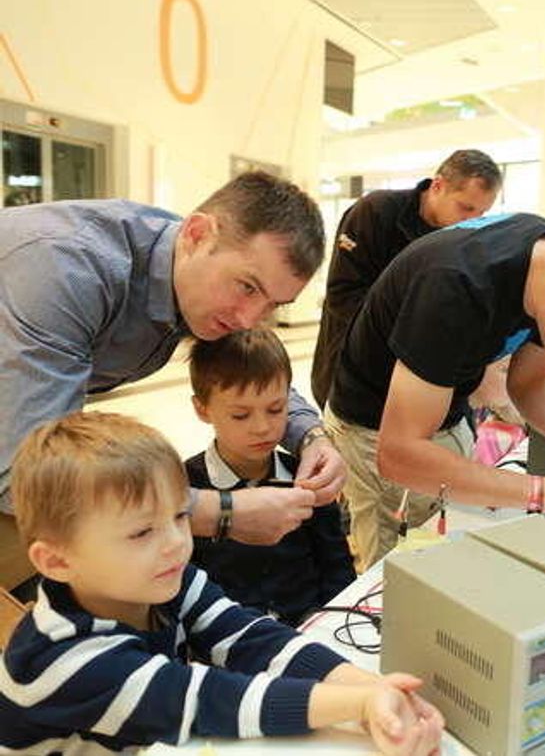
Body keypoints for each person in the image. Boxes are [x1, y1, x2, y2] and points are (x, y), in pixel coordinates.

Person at [0, 412, 442, 755]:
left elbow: (252, 638)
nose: (175, 543)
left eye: (179, 517)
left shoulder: (161, 580)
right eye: (141, 533)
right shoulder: (62, 659)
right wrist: (359, 706)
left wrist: (369, 687)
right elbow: (208, 699)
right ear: (56, 561)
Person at [0, 172, 347, 590]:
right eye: (247, 287)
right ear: (198, 234)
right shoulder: (65, 269)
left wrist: (311, 436)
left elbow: (251, 370)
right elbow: (27, 479)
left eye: (273, 304)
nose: (248, 319)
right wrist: (219, 512)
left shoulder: (197, 272)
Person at [325, 213, 545, 567]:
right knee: (396, 573)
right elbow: (399, 456)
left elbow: (529, 383)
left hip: (443, 416)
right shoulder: (455, 287)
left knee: (448, 549)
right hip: (372, 428)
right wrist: (540, 492)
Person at [186, 330, 356, 626]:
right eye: (241, 415)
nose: (262, 427)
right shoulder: (183, 487)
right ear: (202, 409)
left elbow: (337, 569)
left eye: (276, 409)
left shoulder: (306, 476)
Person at [311, 150, 501, 408]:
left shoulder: (462, 239)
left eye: (482, 213)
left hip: (414, 376)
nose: (472, 220)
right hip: (353, 371)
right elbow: (343, 295)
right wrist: (410, 334)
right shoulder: (375, 212)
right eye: (465, 207)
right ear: (438, 186)